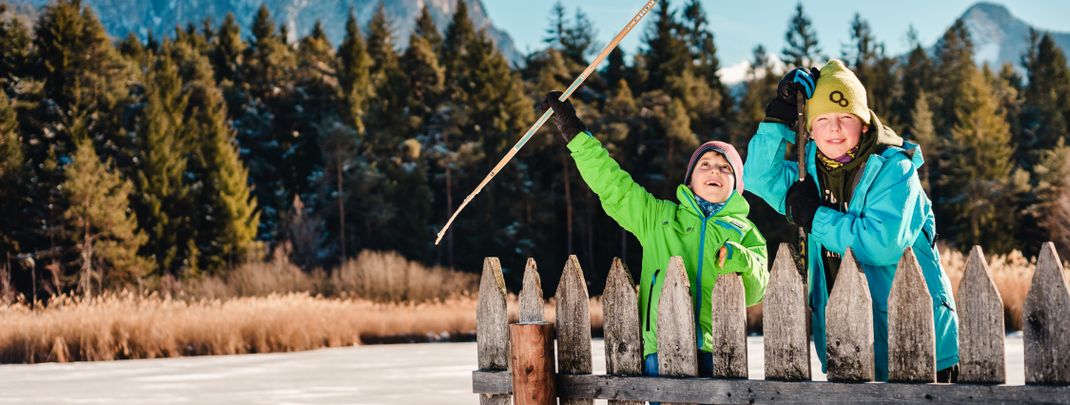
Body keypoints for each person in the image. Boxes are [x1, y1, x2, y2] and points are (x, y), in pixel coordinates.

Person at [743, 60, 959, 381]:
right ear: (810, 130)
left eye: (846, 117)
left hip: (918, 344)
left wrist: (815, 217)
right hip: (850, 345)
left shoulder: (894, 169)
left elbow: (880, 244)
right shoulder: (809, 174)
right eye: (823, 118)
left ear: (865, 124)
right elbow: (759, 176)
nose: (835, 128)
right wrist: (779, 116)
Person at [539, 91, 769, 379]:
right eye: (705, 165)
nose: (715, 171)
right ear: (691, 179)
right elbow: (614, 186)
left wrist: (739, 259)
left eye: (726, 168)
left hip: (721, 351)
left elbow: (758, 289)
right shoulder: (659, 218)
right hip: (661, 348)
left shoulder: (746, 232)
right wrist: (575, 132)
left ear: (737, 184)